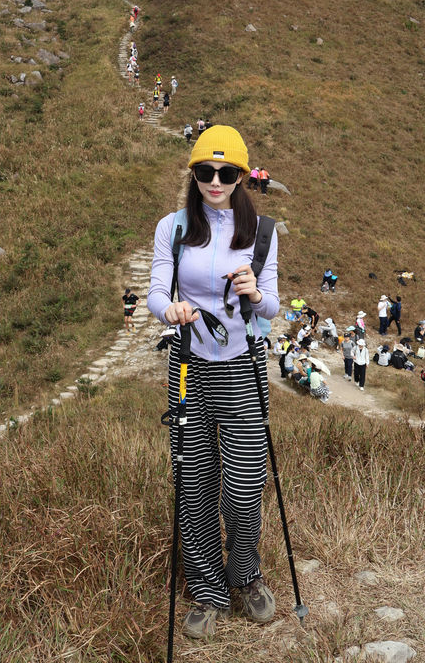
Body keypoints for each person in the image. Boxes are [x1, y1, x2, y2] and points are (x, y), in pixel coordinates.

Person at [147, 125, 279, 640]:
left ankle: (245, 575)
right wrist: (170, 309)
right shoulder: (173, 228)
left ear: (243, 176)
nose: (215, 182)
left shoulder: (262, 232)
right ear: (193, 174)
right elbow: (157, 288)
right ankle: (207, 589)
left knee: (244, 487)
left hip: (244, 367)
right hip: (188, 367)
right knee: (194, 485)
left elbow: (270, 303)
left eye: (227, 173)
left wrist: (254, 292)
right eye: (205, 172)